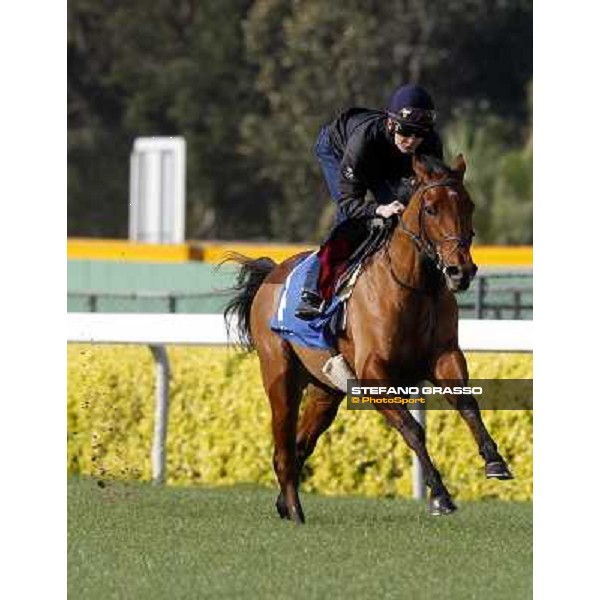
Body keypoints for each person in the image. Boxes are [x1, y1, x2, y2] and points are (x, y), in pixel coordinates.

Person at [294, 83, 444, 320]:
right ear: (392, 123)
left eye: (420, 134)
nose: (412, 140)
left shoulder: (431, 143)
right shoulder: (362, 142)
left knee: (406, 210)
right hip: (339, 151)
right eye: (406, 131)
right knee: (350, 220)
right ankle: (313, 290)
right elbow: (348, 202)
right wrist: (378, 208)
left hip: (385, 161)